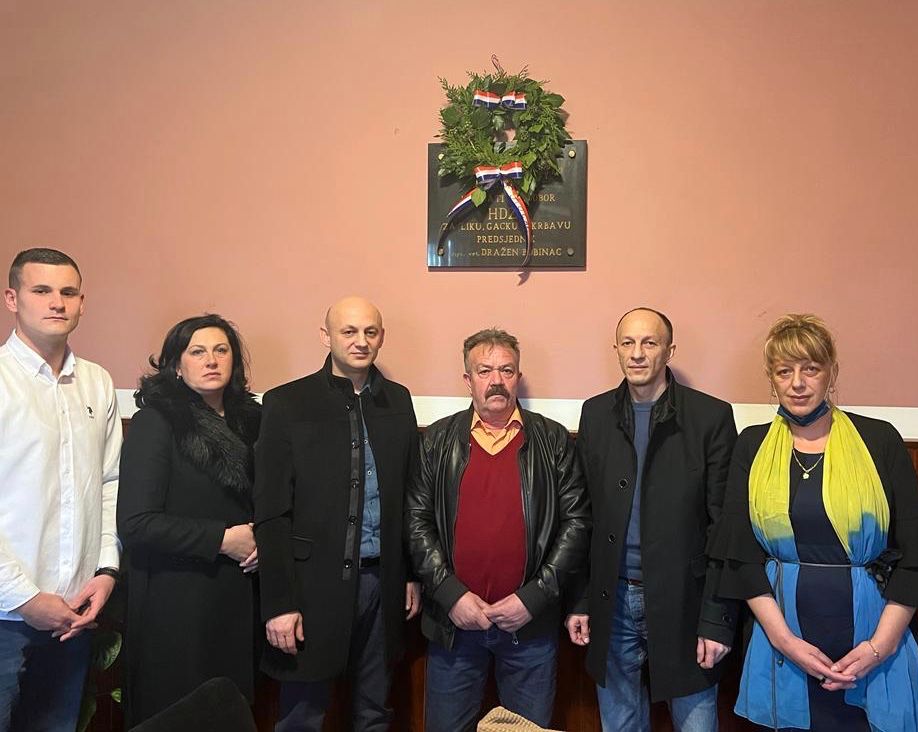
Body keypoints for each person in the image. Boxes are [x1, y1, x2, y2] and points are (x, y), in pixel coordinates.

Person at [708, 314, 918, 731]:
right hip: (782, 645)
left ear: (831, 373)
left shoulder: (880, 440)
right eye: (784, 371)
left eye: (810, 368)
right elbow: (741, 558)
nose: (797, 383)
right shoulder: (751, 445)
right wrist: (784, 641)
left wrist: (878, 647)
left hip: (875, 643)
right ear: (771, 380)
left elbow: (914, 554)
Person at [406, 328, 591, 732]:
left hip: (530, 627)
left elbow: (577, 524)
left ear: (518, 377)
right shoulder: (437, 440)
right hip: (454, 626)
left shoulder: (553, 440)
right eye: (484, 370)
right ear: (467, 379)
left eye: (506, 370)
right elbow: (417, 521)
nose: (496, 380)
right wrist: (451, 595)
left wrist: (534, 597)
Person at [568, 307, 738, 732]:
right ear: (616, 349)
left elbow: (724, 528)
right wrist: (582, 599)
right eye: (628, 343)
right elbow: (583, 517)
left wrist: (716, 620)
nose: (637, 353)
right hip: (613, 601)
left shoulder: (710, 417)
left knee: (696, 723)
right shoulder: (596, 414)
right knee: (620, 723)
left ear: (669, 351)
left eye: (649, 343)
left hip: (685, 604)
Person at [254, 296, 420, 732]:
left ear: (381, 338)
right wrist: (279, 603)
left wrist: (409, 574)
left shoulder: (398, 400)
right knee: (302, 717)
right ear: (325, 336)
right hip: (310, 589)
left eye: (370, 332)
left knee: (374, 712)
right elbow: (271, 512)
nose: (360, 341)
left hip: (381, 584)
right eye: (349, 331)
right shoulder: (287, 403)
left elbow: (408, 496)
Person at [117, 314, 262, 725]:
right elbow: (136, 523)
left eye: (221, 350)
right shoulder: (156, 422)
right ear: (177, 366)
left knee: (229, 715)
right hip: (174, 605)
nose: (211, 360)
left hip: (239, 598)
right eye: (197, 352)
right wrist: (222, 539)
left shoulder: (254, 422)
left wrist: (263, 539)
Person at [0, 248, 121, 732]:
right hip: (5, 614)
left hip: (74, 615)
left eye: (68, 292)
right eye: (41, 290)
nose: (57, 302)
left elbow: (110, 484)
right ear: (12, 298)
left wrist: (106, 570)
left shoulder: (97, 382)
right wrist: (25, 598)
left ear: (82, 303)